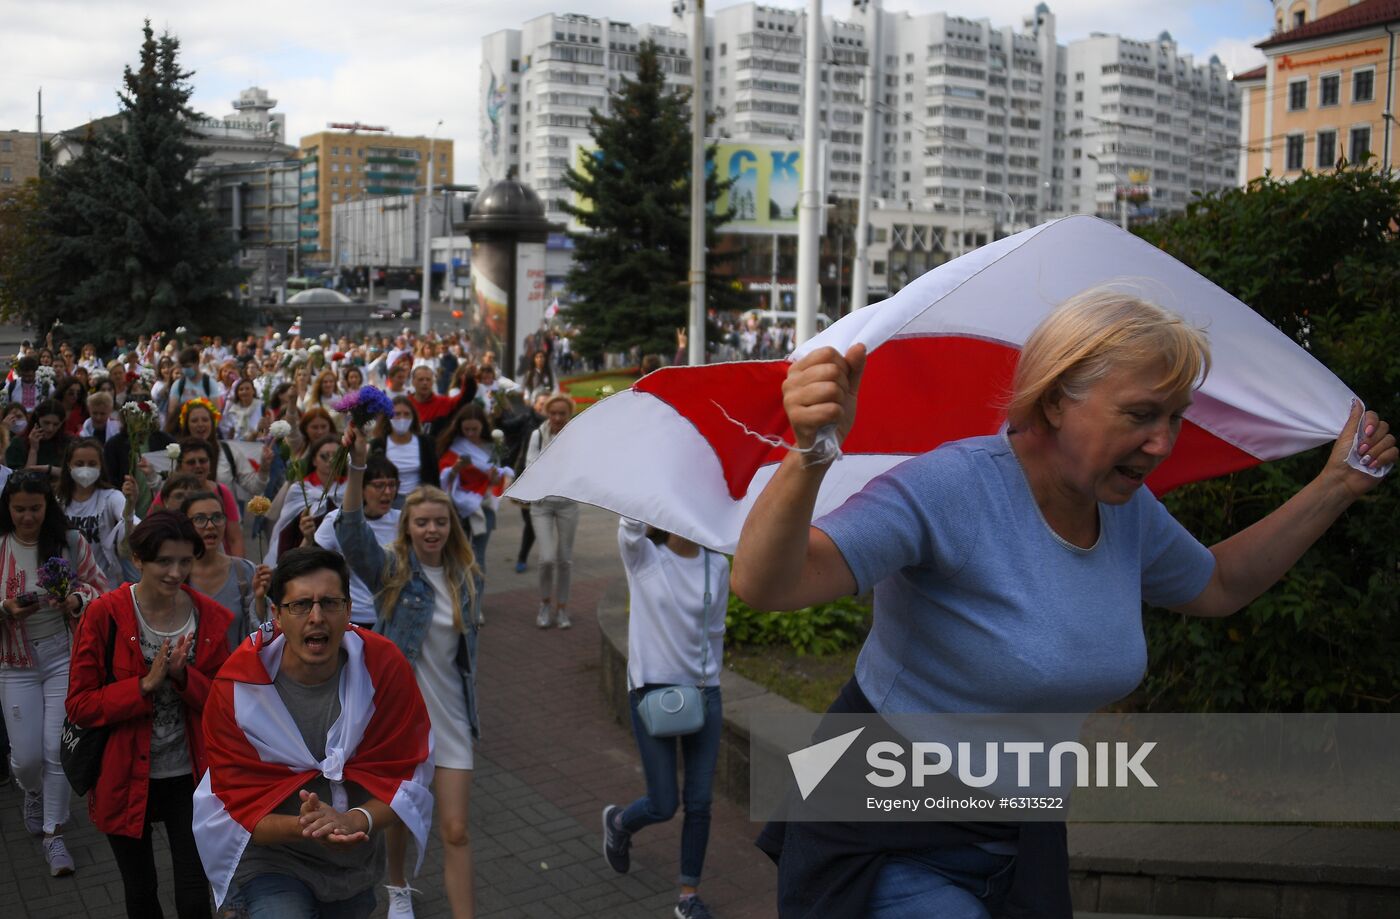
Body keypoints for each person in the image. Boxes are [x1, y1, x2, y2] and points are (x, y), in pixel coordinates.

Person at [733, 291, 1398, 917]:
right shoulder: (953, 486)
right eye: (1141, 414)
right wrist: (809, 454)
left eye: (1176, 416)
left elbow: (1219, 582)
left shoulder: (1126, 510)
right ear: (1054, 401)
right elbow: (769, 583)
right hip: (879, 820)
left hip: (1022, 839)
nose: (1163, 443)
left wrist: (1337, 483)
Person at [192, 547, 435, 919]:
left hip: (354, 862)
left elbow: (409, 776)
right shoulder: (237, 691)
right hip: (273, 862)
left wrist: (355, 821)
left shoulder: (384, 669)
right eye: (301, 605)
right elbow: (234, 808)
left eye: (330, 603)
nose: (317, 617)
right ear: (276, 614)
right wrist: (309, 827)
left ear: (349, 610)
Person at [336, 428, 480, 919]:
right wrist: (357, 466)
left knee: (455, 830)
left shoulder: (465, 579)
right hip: (405, 723)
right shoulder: (393, 574)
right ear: (408, 527)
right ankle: (397, 887)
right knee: (400, 813)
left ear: (450, 527)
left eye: (440, 521)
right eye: (422, 522)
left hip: (454, 721)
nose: (432, 530)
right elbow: (351, 532)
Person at [65, 512, 232, 918]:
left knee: (195, 894)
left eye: (186, 561)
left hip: (190, 776)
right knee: (141, 891)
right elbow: (80, 704)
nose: (176, 573)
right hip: (122, 773)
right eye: (164, 562)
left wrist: (182, 677)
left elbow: (225, 704)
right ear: (138, 559)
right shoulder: (106, 615)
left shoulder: (209, 617)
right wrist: (142, 685)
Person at [603, 520, 729, 919]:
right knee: (663, 803)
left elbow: (715, 632)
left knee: (700, 802)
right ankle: (621, 823)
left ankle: (688, 895)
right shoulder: (644, 557)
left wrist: (710, 685)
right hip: (651, 694)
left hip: (703, 692)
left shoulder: (717, 566)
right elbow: (628, 525)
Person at [0, 469, 107, 876]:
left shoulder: (70, 542)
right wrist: (4, 609)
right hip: (14, 664)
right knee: (27, 760)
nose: (28, 517)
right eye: (19, 509)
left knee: (56, 750)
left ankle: (54, 835)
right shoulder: (1, 546)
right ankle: (31, 791)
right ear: (7, 508)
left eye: (35, 508)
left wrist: (78, 600)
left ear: (48, 507)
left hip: (65, 657)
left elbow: (102, 587)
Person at [307, 452, 401, 630]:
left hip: (390, 617)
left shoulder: (404, 522)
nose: (387, 492)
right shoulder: (337, 521)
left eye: (392, 485)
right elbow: (313, 564)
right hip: (351, 616)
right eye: (379, 485)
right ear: (362, 489)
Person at [437, 403, 510, 627]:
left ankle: (476, 607)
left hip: (483, 506)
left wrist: (496, 476)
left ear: (482, 428)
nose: (470, 434)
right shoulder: (455, 446)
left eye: (474, 430)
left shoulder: (491, 447)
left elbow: (497, 480)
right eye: (466, 430)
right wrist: (457, 468)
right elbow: (444, 478)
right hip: (458, 507)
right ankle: (458, 601)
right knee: (458, 556)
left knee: (478, 558)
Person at [181, 492, 270, 652]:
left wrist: (260, 599)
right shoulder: (175, 576)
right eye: (200, 519)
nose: (210, 526)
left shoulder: (245, 571)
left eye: (217, 517)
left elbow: (259, 632)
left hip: (234, 672)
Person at [526, 394, 579, 629]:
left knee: (565, 560)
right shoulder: (538, 436)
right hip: (542, 504)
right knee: (546, 558)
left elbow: (581, 468)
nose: (557, 418)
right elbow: (531, 467)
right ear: (547, 414)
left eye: (562, 413)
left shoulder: (577, 436)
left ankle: (562, 608)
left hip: (567, 502)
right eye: (553, 413)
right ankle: (545, 603)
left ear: (569, 414)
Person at [57, 438, 135, 587]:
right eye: (79, 464)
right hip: (66, 587)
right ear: (69, 466)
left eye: (92, 464)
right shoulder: (58, 501)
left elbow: (132, 523)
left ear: (101, 467)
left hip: (105, 587)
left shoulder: (111, 497)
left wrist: (130, 507)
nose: (86, 469)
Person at [176, 397, 271, 504]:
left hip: (227, 518)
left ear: (213, 423)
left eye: (205, 420)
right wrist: (152, 476)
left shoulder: (229, 451)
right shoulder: (176, 454)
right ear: (187, 425)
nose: (200, 424)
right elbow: (166, 492)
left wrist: (264, 468)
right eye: (194, 420)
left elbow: (255, 488)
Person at [372, 397, 439, 508]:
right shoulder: (379, 444)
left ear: (413, 417)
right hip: (388, 502)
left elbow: (434, 476)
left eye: (406, 414)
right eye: (397, 414)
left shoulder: (425, 442)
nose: (402, 418)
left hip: (420, 499)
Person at [6, 399, 69, 475]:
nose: (50, 429)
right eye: (46, 423)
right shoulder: (18, 443)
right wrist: (33, 450)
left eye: (56, 424)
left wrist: (49, 469)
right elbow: (22, 479)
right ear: (37, 420)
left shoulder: (68, 443)